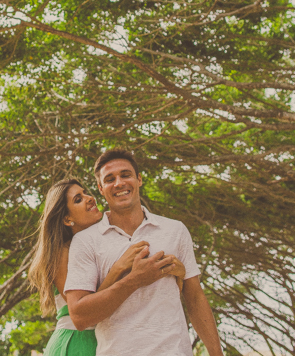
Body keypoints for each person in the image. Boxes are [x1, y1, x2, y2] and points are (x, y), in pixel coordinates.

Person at [64, 149, 226, 356]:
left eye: (126, 175)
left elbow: (194, 297)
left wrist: (216, 353)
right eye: (110, 179)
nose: (119, 183)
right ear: (101, 188)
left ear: (139, 179)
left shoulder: (175, 230)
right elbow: (79, 317)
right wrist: (135, 280)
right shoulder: (86, 241)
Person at [28, 178, 186, 356]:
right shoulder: (63, 252)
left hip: (106, 340)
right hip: (76, 342)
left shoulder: (101, 244)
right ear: (67, 218)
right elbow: (83, 313)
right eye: (78, 199)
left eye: (85, 192)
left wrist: (177, 270)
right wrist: (119, 269)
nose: (89, 198)